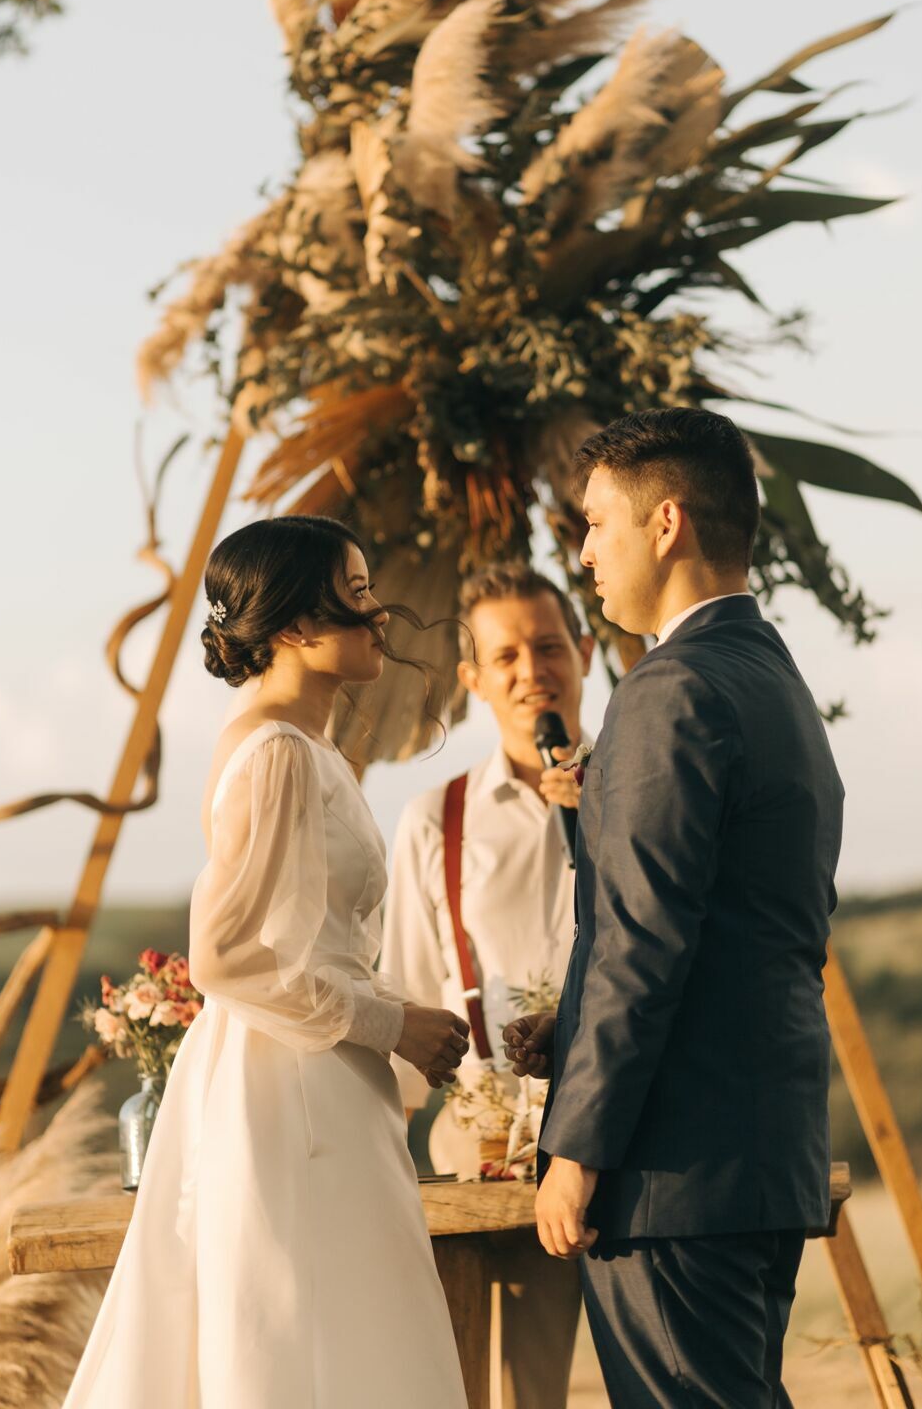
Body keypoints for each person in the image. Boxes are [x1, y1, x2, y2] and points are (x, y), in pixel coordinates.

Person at [63, 515, 470, 1409]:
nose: (381, 618)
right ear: (292, 627)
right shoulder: (278, 750)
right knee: (308, 1333)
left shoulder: (305, 745)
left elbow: (311, 941)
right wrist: (392, 1024)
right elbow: (229, 956)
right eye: (357, 596)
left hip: (315, 1073)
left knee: (339, 1332)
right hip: (290, 1092)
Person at [504, 407, 844, 1409]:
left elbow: (639, 943)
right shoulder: (771, 680)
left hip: (670, 1173)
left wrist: (576, 1147)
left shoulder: (668, 688)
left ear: (666, 522)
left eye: (595, 523)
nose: (583, 553)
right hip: (758, 1153)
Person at [381, 562, 595, 1409]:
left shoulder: (643, 788)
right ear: (471, 680)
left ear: (583, 651)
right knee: (497, 1390)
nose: (530, 670)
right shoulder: (435, 819)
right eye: (504, 656)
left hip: (628, 1131)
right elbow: (403, 986)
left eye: (547, 647)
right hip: (486, 1147)